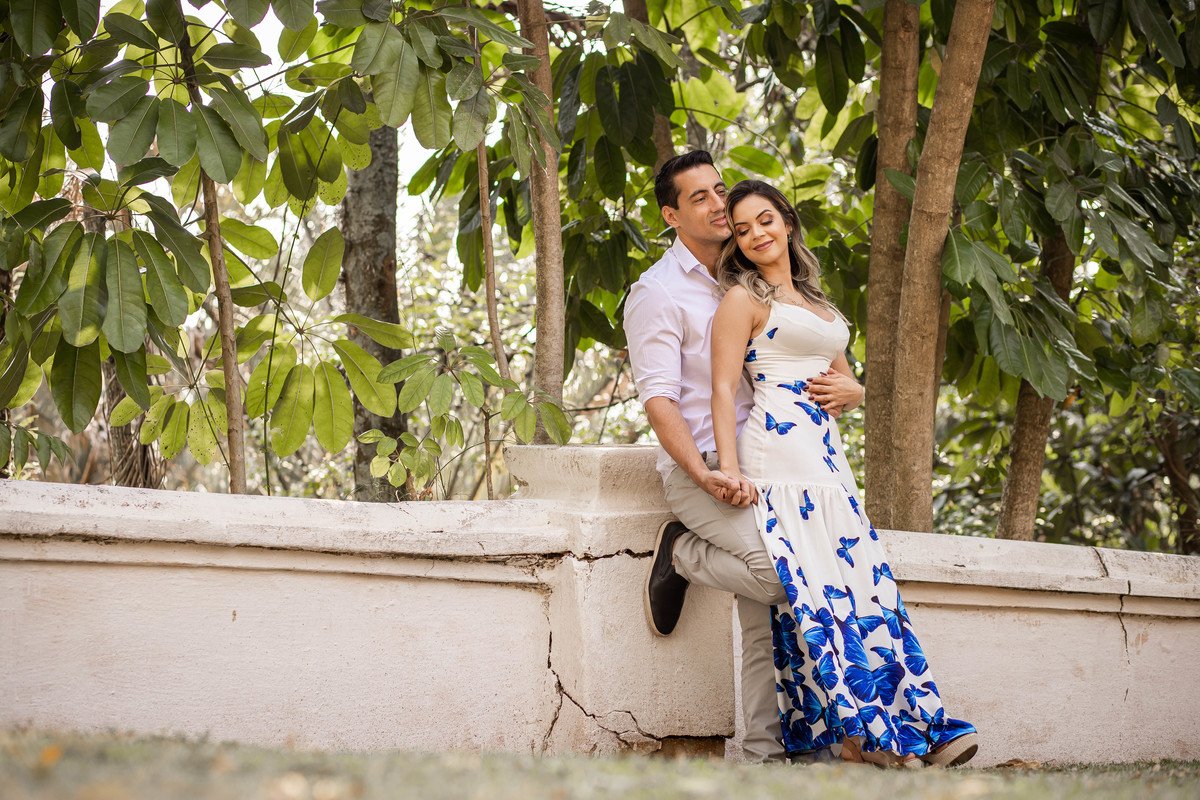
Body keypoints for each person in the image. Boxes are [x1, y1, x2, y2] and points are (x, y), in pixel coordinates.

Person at [709, 179, 979, 768]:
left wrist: (856, 390)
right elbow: (725, 388)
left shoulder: (819, 303)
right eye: (742, 227)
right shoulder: (742, 300)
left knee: (860, 588)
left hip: (829, 461)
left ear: (786, 221)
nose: (756, 234)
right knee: (813, 597)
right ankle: (865, 737)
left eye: (765, 220)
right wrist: (728, 468)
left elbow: (843, 375)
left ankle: (886, 732)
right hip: (778, 457)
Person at [625, 152, 849, 763]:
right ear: (671, 216)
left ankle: (759, 757)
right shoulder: (657, 293)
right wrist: (707, 474)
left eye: (719, 190)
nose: (719, 204)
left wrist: (850, 388)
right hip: (704, 469)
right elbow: (660, 401)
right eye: (698, 198)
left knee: (761, 624)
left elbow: (813, 357)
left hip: (774, 467)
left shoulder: (747, 275)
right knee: (783, 577)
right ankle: (683, 550)